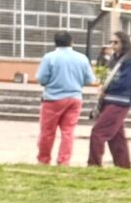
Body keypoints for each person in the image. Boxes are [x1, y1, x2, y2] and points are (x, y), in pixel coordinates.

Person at [34, 29, 92, 166]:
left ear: (55, 42)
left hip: (53, 98)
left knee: (47, 132)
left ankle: (44, 159)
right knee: (68, 131)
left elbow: (41, 78)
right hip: (74, 98)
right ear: (72, 42)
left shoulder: (49, 57)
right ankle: (64, 160)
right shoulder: (82, 58)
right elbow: (89, 79)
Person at [85, 31, 131, 170]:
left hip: (119, 101)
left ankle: (94, 164)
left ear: (124, 43)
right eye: (111, 42)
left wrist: (107, 88)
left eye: (116, 42)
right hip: (108, 100)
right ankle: (123, 167)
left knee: (98, 132)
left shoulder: (130, 61)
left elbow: (127, 83)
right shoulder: (114, 59)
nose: (113, 45)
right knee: (117, 137)